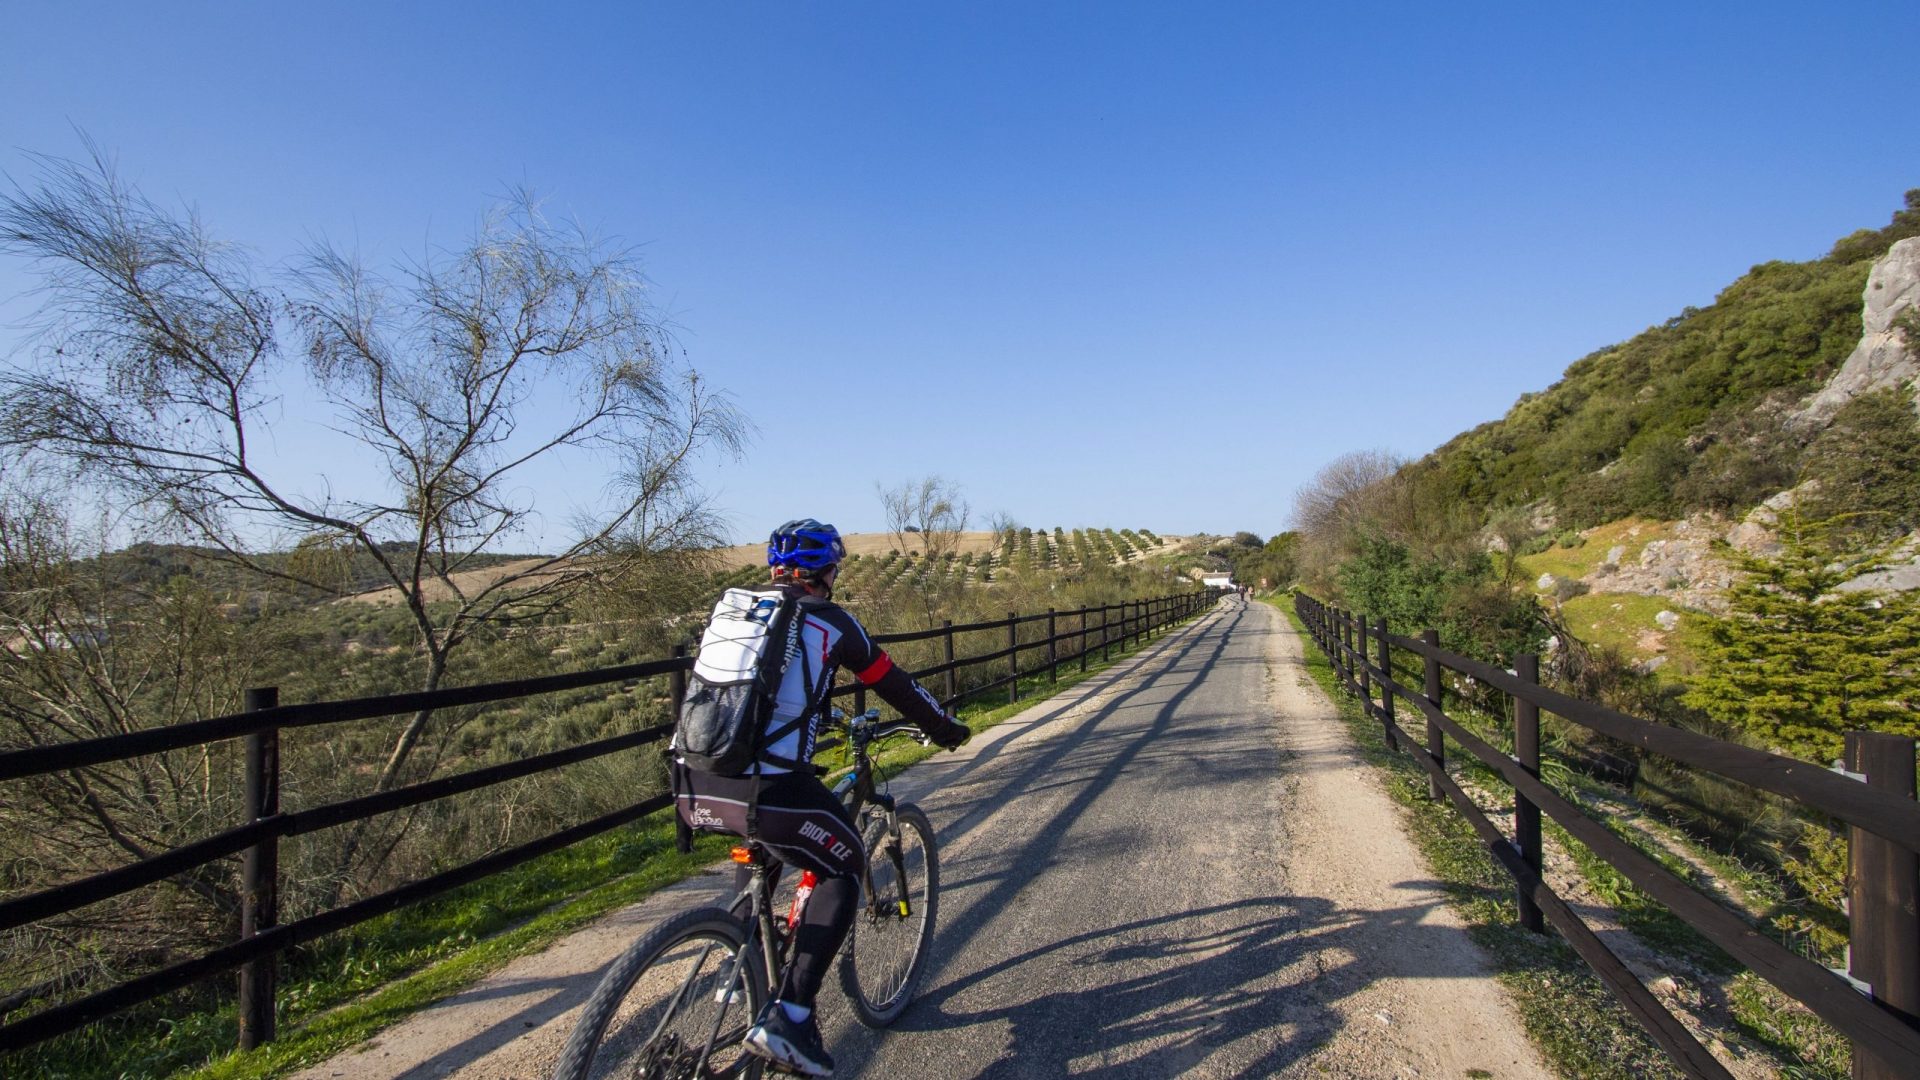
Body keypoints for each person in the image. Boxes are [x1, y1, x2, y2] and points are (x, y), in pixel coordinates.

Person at [673, 518, 970, 1077]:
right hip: (769, 792)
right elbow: (895, 682)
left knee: (757, 842)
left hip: (695, 784)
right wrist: (946, 728)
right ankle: (790, 1015)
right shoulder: (833, 622)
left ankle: (739, 965)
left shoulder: (736, 610)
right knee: (846, 860)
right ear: (828, 571)